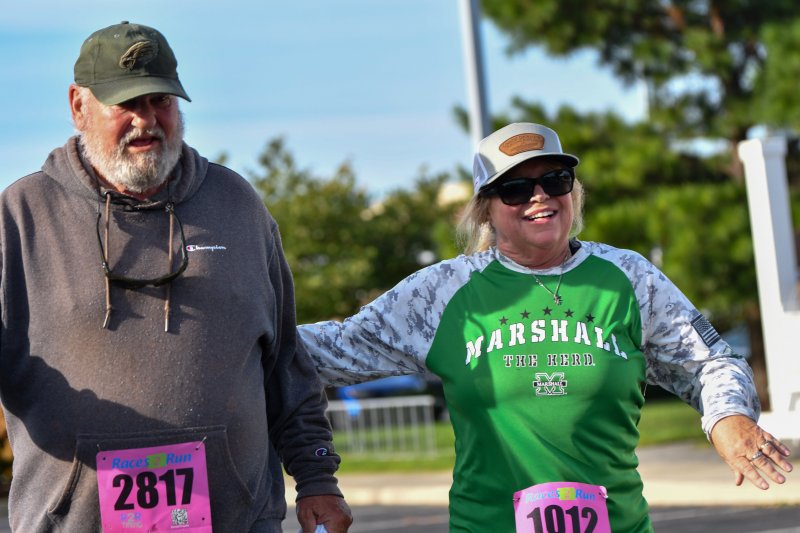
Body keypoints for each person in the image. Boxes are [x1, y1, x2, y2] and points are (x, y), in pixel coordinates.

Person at [299, 122, 794, 531]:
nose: (539, 197)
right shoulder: (441, 292)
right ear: (486, 209)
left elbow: (710, 361)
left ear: (573, 193)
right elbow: (332, 350)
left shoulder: (629, 276)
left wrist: (727, 417)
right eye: (514, 189)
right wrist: (241, 326)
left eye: (554, 180)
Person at [0, 21, 352, 532]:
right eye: (128, 103)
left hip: (238, 520)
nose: (147, 121)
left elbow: (285, 365)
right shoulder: (20, 217)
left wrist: (317, 475)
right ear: (79, 105)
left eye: (160, 101)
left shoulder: (238, 207)